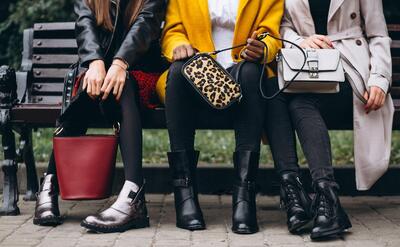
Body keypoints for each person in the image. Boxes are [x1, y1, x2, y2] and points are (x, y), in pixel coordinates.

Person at [264, 0, 394, 240]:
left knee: (300, 101)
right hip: (304, 65)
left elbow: (378, 34)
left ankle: (324, 198)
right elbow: (281, 25)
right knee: (275, 96)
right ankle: (298, 196)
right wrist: (300, 41)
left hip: (349, 72)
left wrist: (379, 79)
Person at [33, 0, 165, 233]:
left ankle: (134, 198)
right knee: (87, 88)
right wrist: (94, 62)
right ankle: (50, 184)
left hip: (140, 72)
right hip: (100, 71)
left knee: (120, 86)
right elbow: (84, 23)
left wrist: (120, 62)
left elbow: (146, 24)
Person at [156, 0, 283, 234]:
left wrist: (263, 47)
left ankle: (244, 197)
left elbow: (271, 34)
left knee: (252, 72)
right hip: (198, 73)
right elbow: (173, 31)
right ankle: (185, 195)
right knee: (176, 73)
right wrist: (179, 44)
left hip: (242, 73)